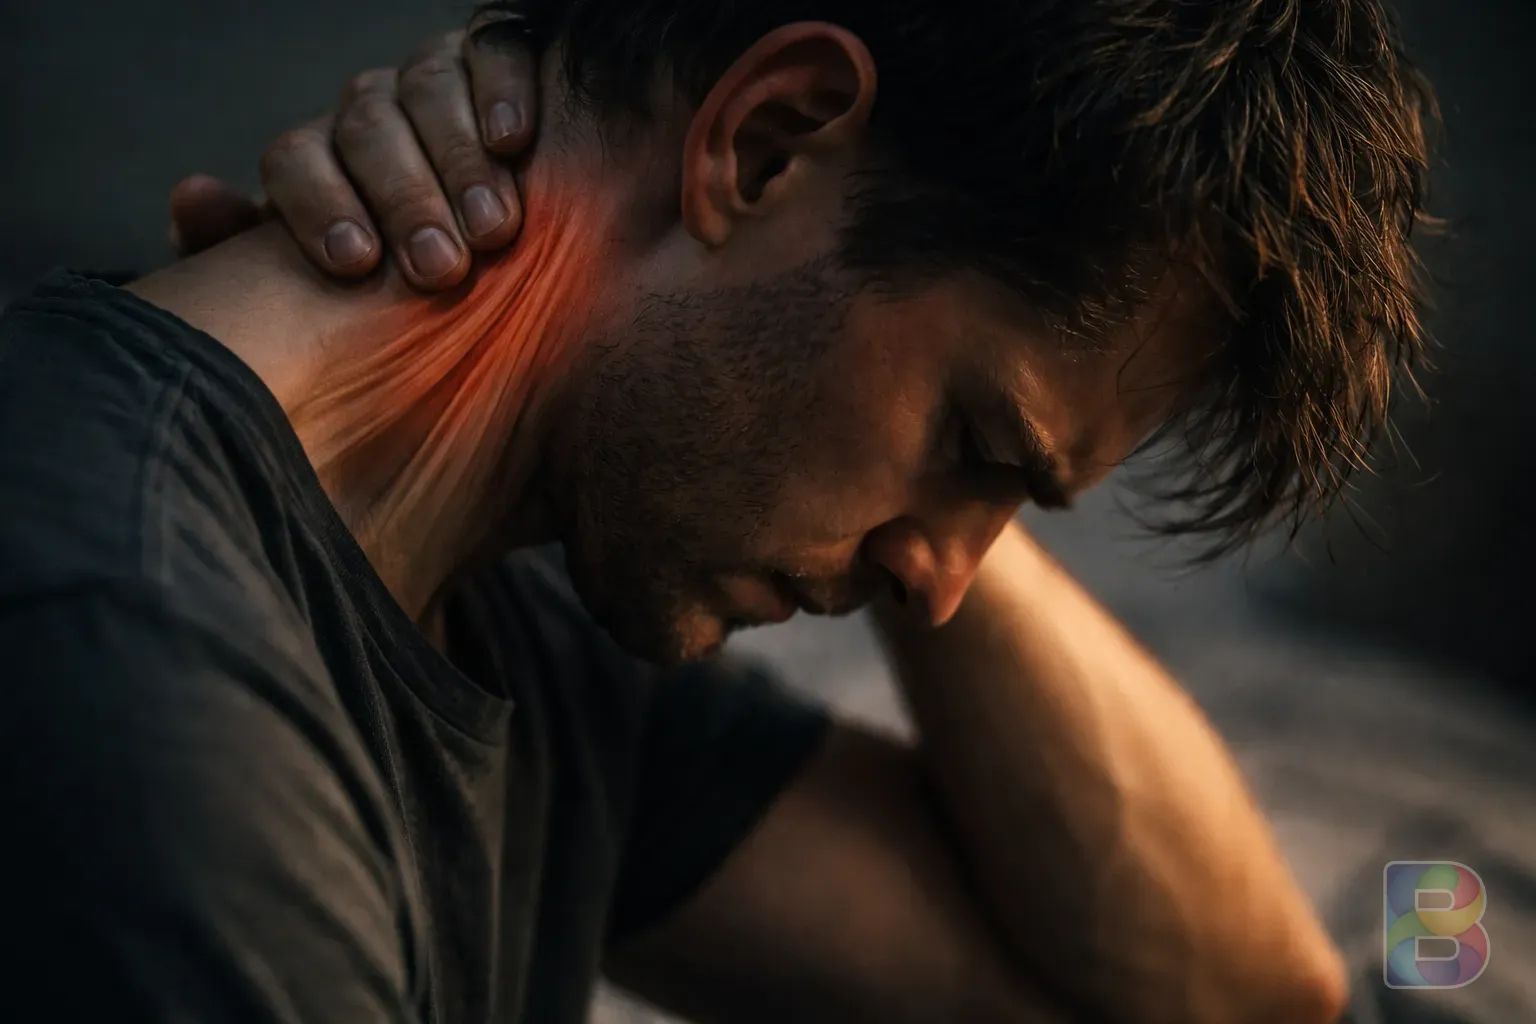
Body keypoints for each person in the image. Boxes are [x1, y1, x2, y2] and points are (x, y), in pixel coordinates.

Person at [0, 1, 1436, 1021]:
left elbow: (1237, 996)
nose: (942, 582)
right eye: (976, 440)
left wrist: (931, 491)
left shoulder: (519, 623)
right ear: (761, 143)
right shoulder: (144, 673)